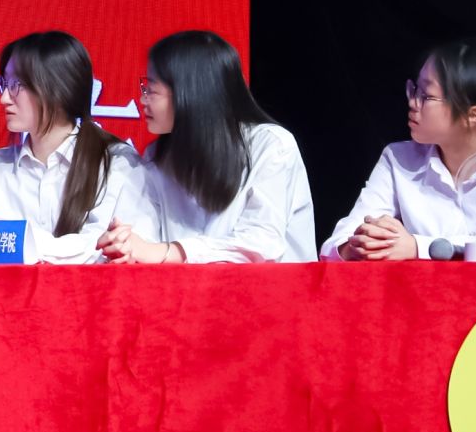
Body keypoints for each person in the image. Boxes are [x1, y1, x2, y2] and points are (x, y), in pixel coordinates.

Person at [322, 39, 476, 261]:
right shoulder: (397, 158)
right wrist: (362, 242)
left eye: (426, 96)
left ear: (473, 116)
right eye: (414, 90)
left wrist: (418, 246)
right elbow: (335, 244)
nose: (412, 103)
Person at [97, 31, 316, 263]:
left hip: (272, 286)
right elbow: (142, 236)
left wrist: (168, 252)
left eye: (151, 89)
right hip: (186, 287)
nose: (142, 100)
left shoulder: (271, 146)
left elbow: (261, 244)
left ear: (191, 92)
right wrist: (125, 244)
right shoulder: (158, 157)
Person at [0, 31, 149, 264]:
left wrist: (18, 238)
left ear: (58, 88)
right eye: (4, 84)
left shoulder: (115, 163)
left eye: (16, 85)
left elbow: (103, 247)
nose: (4, 98)